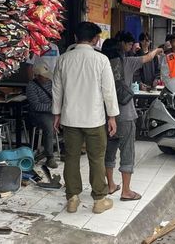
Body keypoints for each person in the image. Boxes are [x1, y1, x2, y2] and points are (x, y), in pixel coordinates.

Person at [52, 22, 119, 214]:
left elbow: (57, 90)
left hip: (70, 118)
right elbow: (109, 91)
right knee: (96, 158)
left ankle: (72, 199)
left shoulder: (63, 59)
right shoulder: (101, 60)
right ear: (96, 39)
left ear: (75, 38)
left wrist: (56, 114)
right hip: (94, 119)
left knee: (71, 158)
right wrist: (112, 117)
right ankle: (99, 200)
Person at [102, 34, 163, 202]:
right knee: (127, 152)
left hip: (105, 115)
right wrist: (157, 50)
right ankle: (126, 191)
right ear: (120, 49)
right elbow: (147, 57)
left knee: (109, 151)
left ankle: (110, 185)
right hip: (125, 115)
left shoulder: (100, 64)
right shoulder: (127, 62)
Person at [25, 64, 58, 169]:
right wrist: (53, 107)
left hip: (52, 111)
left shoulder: (50, 83)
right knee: (49, 125)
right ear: (38, 76)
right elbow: (36, 106)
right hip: (38, 114)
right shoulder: (31, 86)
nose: (47, 77)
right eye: (44, 76)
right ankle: (49, 156)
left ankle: (66, 150)